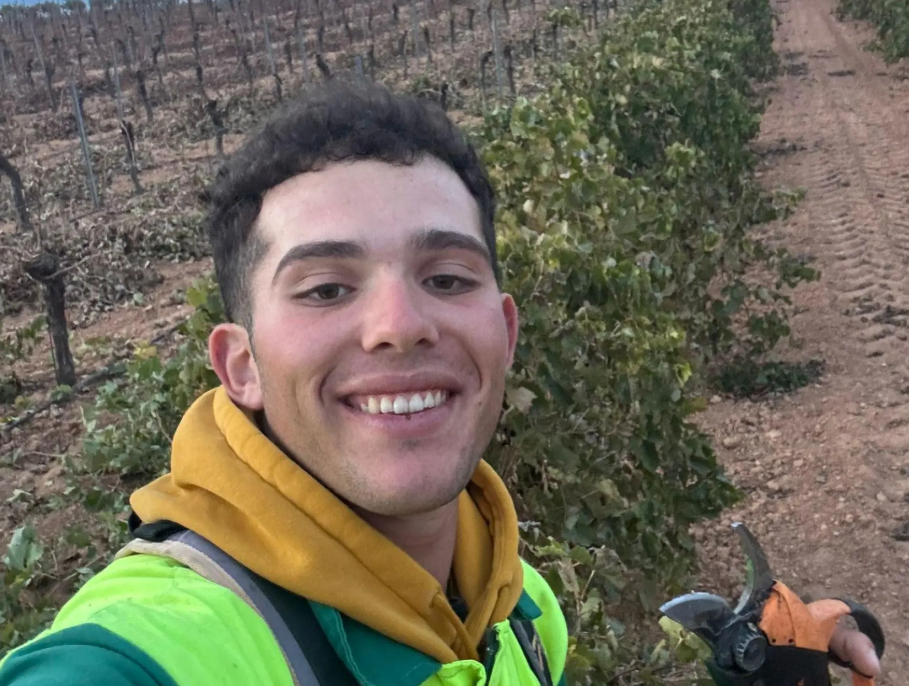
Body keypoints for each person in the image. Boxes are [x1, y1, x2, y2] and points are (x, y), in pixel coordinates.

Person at [0, 80, 881, 686]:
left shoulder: (520, 608)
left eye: (448, 277)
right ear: (241, 366)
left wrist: (745, 658)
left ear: (502, 331)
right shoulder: (141, 655)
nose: (399, 323)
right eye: (326, 288)